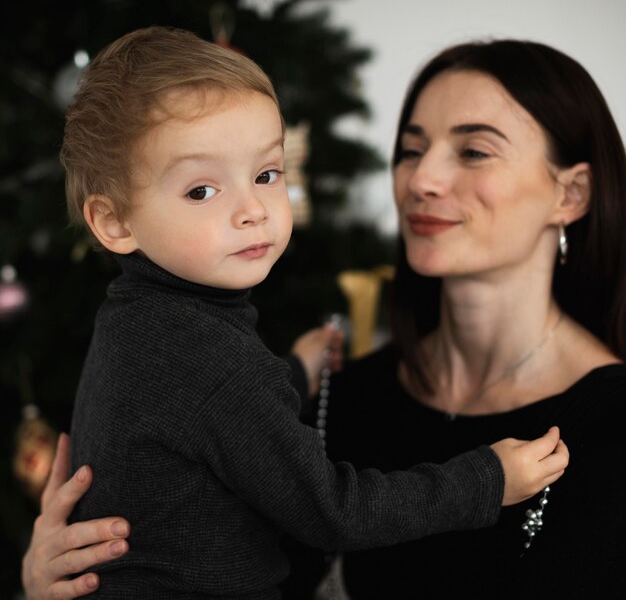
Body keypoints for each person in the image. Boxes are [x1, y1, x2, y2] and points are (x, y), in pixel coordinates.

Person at [21, 32, 575, 599]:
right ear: (114, 223)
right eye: (202, 190)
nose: (252, 210)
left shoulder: (135, 320)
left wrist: (294, 374)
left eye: (266, 174)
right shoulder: (216, 362)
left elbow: (206, 424)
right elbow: (334, 511)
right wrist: (487, 479)